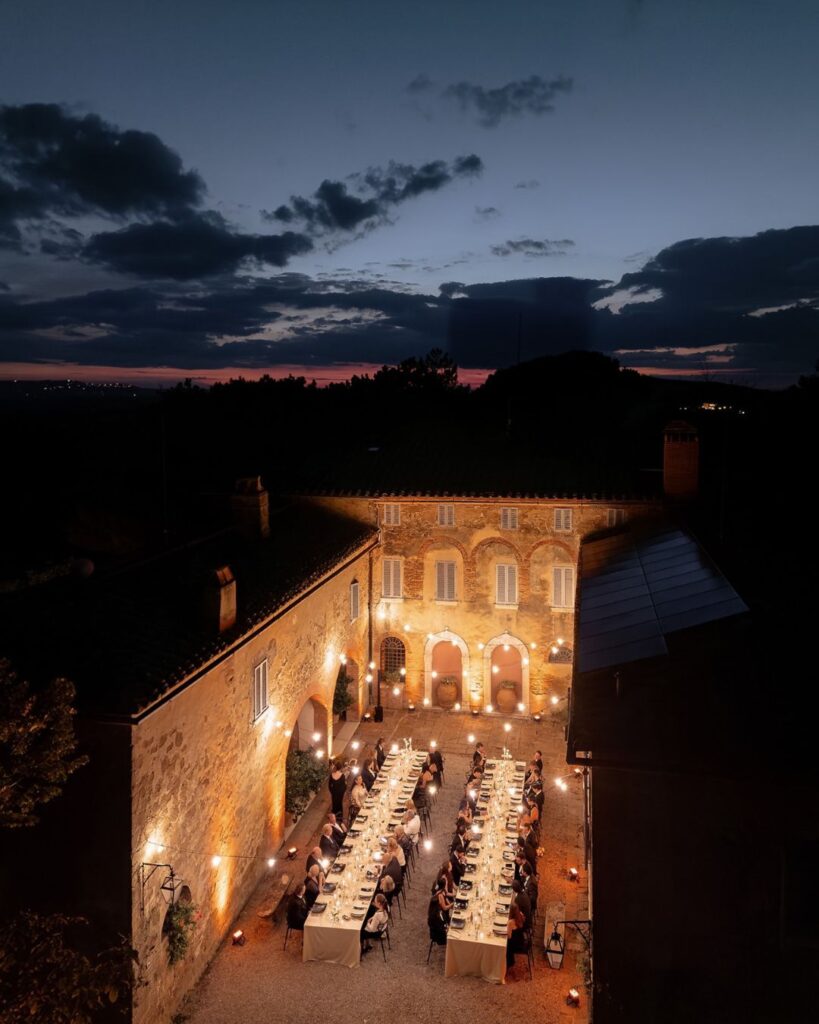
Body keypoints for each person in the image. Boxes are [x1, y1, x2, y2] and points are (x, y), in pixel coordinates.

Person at [505, 901, 526, 974]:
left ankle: (508, 964)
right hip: (521, 940)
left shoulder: (510, 922)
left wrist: (505, 930)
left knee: (504, 944)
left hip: (515, 945)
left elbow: (509, 937)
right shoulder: (520, 915)